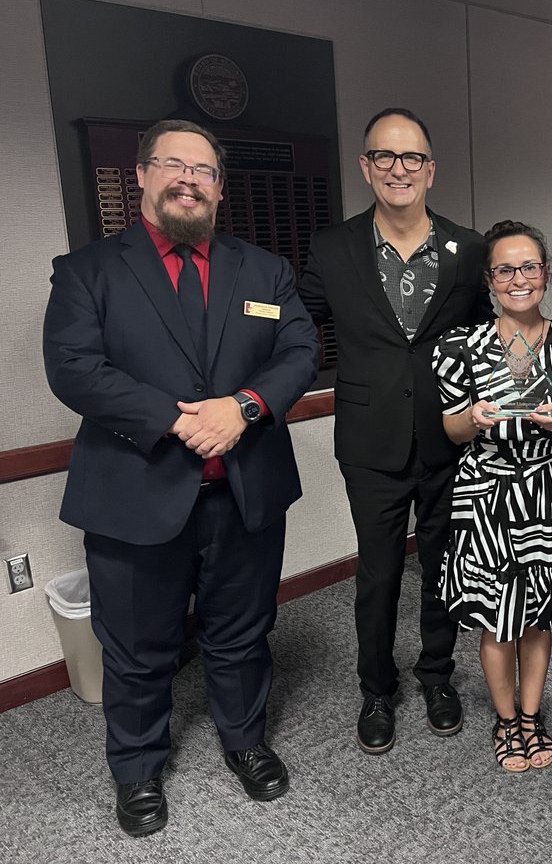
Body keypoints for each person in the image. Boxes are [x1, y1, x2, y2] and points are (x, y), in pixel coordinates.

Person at [42, 119, 319, 837]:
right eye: (173, 164)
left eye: (204, 170)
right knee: (137, 646)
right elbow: (74, 368)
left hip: (244, 490)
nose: (188, 179)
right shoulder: (88, 271)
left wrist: (244, 407)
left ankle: (245, 741)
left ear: (220, 189)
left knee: (243, 632)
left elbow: (297, 350)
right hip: (136, 493)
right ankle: (136, 770)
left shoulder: (264, 272)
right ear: (141, 175)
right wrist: (179, 419)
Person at [300, 108, 493, 753]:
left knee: (445, 568)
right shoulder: (334, 248)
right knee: (379, 573)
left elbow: (491, 335)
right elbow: (297, 325)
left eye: (411, 158)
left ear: (431, 171)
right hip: (370, 440)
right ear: (366, 167)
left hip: (448, 435)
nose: (398, 169)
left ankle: (436, 675)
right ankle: (376, 689)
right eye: (385, 157)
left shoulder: (468, 250)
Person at [433, 220, 552, 772]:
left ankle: (531, 717)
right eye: (506, 269)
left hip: (551, 493)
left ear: (546, 273)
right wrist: (474, 419)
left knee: (538, 617)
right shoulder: (460, 346)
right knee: (494, 617)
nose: (519, 279)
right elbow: (451, 430)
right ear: (489, 279)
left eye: (529, 267)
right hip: (485, 497)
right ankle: (506, 722)